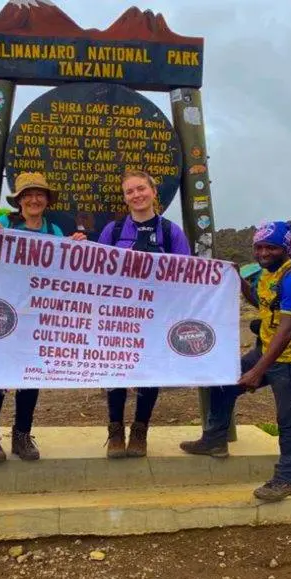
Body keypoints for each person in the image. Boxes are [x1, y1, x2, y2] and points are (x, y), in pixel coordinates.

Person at [180, 220, 291, 502]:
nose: (263, 253)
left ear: (286, 248)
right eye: (259, 247)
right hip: (267, 354)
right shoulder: (268, 274)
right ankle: (215, 439)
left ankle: (288, 478)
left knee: (290, 421)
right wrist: (238, 280)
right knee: (222, 382)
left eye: (270, 247)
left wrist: (257, 371)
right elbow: (261, 303)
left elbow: (285, 332)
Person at [0, 172, 86, 463]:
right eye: (27, 195)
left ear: (47, 200)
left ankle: (22, 435)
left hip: (37, 316)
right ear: (19, 201)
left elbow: (66, 270)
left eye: (39, 194)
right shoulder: (5, 224)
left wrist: (77, 246)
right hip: (3, 313)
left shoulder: (55, 233)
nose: (34, 199)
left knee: (29, 376)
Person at [96, 169, 191, 459]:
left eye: (141, 189)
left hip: (156, 316)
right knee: (116, 370)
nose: (136, 195)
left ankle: (140, 430)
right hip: (118, 315)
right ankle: (115, 430)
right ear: (125, 198)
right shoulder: (112, 232)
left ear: (153, 192)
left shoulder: (170, 232)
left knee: (150, 370)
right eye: (130, 192)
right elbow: (94, 271)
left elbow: (185, 273)